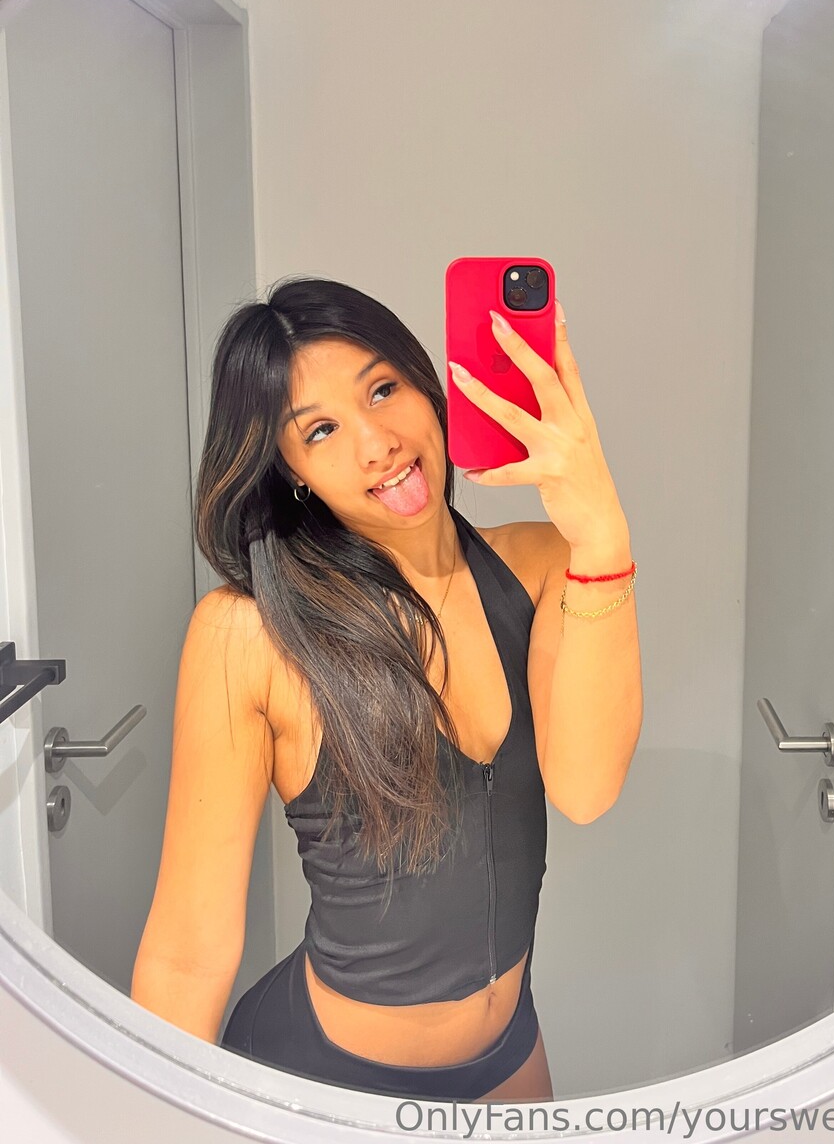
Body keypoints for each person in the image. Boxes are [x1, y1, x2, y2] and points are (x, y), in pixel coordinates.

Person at [130, 276, 642, 1102]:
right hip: (321, 1082)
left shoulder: (547, 564)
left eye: (382, 389)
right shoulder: (248, 634)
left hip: (508, 1056)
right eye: (322, 430)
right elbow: (188, 950)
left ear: (429, 385)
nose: (377, 444)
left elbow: (586, 791)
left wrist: (604, 535)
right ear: (291, 470)